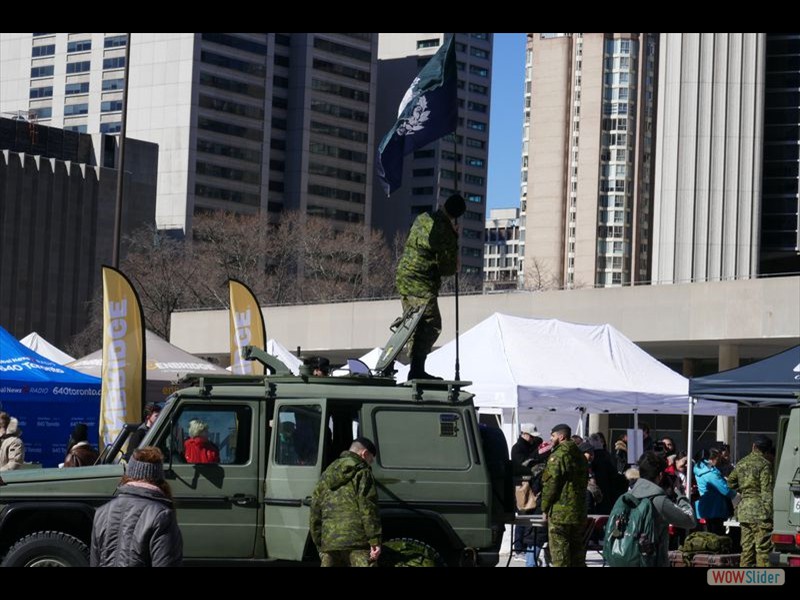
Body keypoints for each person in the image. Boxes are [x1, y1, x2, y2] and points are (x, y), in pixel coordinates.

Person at [395, 193, 466, 380]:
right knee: (431, 324)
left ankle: (414, 368)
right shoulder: (445, 231)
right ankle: (416, 369)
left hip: (405, 276)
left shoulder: (424, 218)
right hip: (421, 282)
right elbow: (447, 268)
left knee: (413, 324)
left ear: (444, 205)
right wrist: (454, 241)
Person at [90, 446, 182, 567]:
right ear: (159, 478)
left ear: (128, 474)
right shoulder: (162, 515)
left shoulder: (102, 512)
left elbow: (95, 563)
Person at [309, 437, 381, 567]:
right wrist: (375, 541)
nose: (371, 463)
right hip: (357, 543)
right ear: (364, 454)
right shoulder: (363, 472)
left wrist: (320, 543)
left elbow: (315, 509)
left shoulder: (327, 474)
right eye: (371, 459)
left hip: (330, 543)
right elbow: (368, 508)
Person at [630, 451, 697, 566]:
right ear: (660, 475)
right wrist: (680, 494)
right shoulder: (658, 500)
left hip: (629, 559)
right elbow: (690, 521)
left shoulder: (628, 496)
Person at [540, 423, 588, 567]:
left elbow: (551, 485)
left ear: (561, 437)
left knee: (560, 557)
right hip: (578, 512)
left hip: (560, 514)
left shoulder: (558, 456)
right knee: (577, 557)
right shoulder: (580, 456)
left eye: (553, 435)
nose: (551, 438)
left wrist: (544, 507)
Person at [727, 434, 775, 567]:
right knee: (763, 549)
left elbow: (730, 482)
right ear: (767, 450)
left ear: (754, 446)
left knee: (746, 549)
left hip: (744, 510)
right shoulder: (765, 465)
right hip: (760, 511)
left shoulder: (742, 463)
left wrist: (743, 489)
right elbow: (767, 491)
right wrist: (770, 512)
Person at [511, 423, 540, 558]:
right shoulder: (517, 448)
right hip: (521, 486)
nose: (533, 439)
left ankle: (524, 545)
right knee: (522, 516)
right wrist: (536, 453)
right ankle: (518, 548)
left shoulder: (532, 445)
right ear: (524, 434)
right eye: (531, 436)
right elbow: (523, 464)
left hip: (531, 484)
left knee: (530, 517)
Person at [693, 447, 738, 535]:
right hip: (715, 508)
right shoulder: (710, 473)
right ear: (712, 459)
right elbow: (725, 490)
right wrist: (736, 494)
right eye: (718, 459)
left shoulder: (701, 470)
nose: (719, 462)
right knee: (717, 534)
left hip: (706, 507)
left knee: (710, 532)